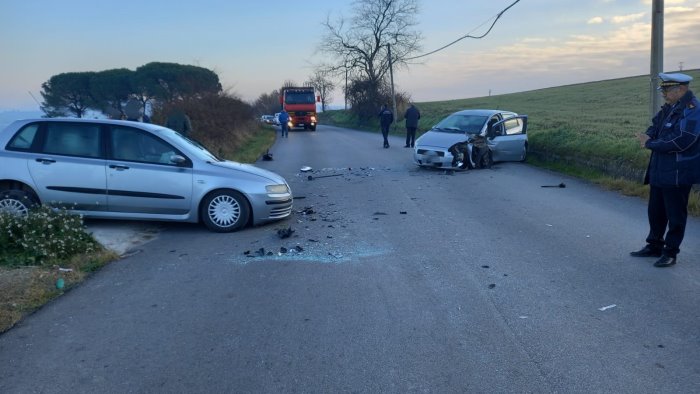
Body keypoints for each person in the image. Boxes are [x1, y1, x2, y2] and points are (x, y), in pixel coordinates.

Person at [631, 72, 700, 267]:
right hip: (660, 169)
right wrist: (648, 136)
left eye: (666, 90)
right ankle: (654, 245)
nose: (663, 93)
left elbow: (683, 140)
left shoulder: (693, 109)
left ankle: (670, 252)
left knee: (675, 215)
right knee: (656, 211)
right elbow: (655, 126)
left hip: (679, 172)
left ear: (681, 89)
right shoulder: (669, 108)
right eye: (663, 89)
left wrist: (651, 144)